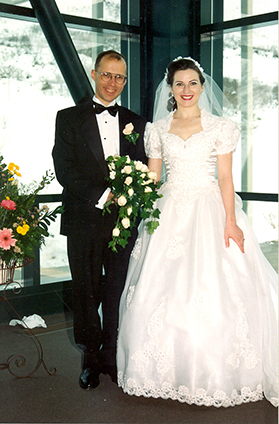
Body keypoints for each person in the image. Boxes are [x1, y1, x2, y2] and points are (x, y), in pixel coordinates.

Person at [117, 57, 278, 407]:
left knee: (215, 288)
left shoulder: (221, 127)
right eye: (179, 84)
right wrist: (130, 191)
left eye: (192, 83)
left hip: (210, 208)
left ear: (202, 86)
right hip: (169, 210)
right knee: (157, 292)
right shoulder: (157, 129)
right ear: (170, 89)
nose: (186, 90)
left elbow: (224, 178)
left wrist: (231, 220)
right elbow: (154, 179)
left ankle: (215, 374)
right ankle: (165, 374)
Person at [52, 50, 147, 390]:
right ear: (94, 74)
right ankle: (90, 359)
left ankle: (111, 357)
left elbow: (143, 170)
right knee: (86, 291)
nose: (112, 83)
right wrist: (103, 195)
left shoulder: (136, 121)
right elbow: (65, 170)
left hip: (122, 223)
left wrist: (129, 203)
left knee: (117, 291)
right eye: (107, 75)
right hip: (83, 219)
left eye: (119, 77)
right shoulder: (68, 118)